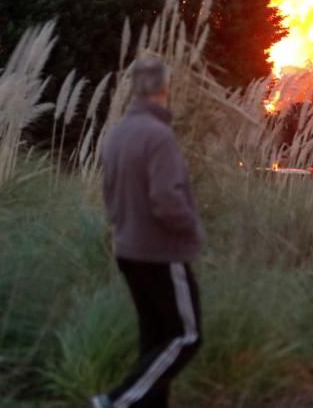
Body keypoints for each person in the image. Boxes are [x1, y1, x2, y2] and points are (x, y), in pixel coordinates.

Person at [92, 58, 204, 408]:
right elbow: (166, 199)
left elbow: (108, 191)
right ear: (164, 89)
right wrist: (192, 229)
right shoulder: (159, 135)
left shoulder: (117, 132)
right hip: (161, 252)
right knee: (186, 336)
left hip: (127, 248)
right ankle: (117, 401)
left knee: (155, 340)